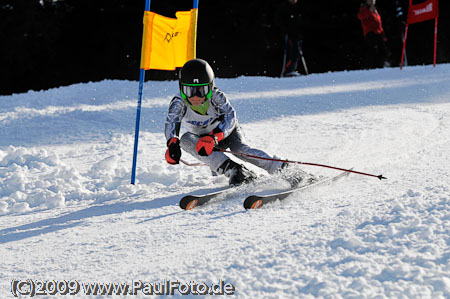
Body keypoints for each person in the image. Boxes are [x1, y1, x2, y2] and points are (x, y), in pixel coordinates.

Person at [164, 59, 306, 186]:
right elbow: (171, 123)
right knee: (185, 140)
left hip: (226, 133)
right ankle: (235, 171)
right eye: (189, 91)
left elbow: (230, 116)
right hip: (203, 142)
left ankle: (283, 167)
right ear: (182, 88)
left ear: (210, 87)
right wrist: (172, 145)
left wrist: (215, 137)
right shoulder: (179, 103)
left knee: (241, 151)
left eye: (201, 91)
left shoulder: (216, 96)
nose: (195, 97)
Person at [275, 0, 306, 77]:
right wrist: (285, 30)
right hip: (289, 35)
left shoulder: (298, 8)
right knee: (293, 53)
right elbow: (279, 20)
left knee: (297, 53)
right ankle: (287, 71)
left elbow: (300, 22)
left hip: (297, 35)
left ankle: (292, 70)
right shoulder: (285, 8)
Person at [357, 0, 389, 69]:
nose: (372, 2)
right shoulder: (364, 8)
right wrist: (369, 11)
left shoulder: (375, 10)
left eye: (373, 0)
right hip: (370, 32)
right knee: (373, 50)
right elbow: (360, 16)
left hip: (378, 33)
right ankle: (368, 67)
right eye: (370, 0)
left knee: (383, 50)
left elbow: (378, 23)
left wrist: (383, 34)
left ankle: (379, 66)